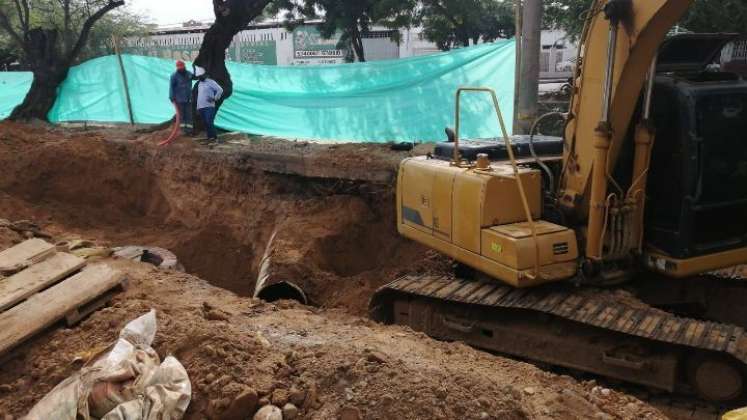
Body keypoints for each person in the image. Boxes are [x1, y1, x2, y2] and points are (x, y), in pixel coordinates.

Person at [195, 66, 224, 143]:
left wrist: (215, 98)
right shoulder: (199, 84)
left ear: (204, 75)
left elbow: (220, 90)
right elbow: (199, 95)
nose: (199, 78)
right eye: (198, 77)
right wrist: (197, 107)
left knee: (209, 121)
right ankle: (209, 137)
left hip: (209, 106)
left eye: (200, 76)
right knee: (205, 123)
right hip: (201, 106)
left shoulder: (210, 82)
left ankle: (214, 138)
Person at [169, 61, 193, 133]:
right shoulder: (174, 76)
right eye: (179, 67)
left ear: (184, 66)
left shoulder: (189, 74)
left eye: (182, 67)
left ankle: (189, 131)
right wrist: (171, 96)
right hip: (179, 99)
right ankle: (182, 131)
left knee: (189, 115)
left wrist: (201, 77)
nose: (181, 68)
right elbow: (171, 87)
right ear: (177, 67)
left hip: (189, 98)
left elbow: (194, 77)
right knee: (181, 115)